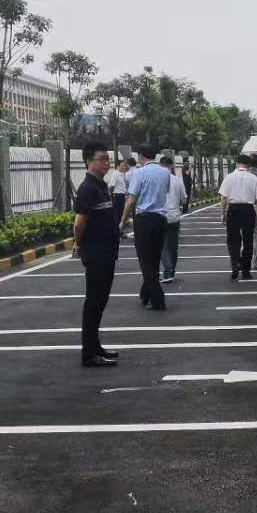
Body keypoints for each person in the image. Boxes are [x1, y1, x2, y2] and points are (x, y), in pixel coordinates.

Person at [73, 142, 121, 368]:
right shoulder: (87, 189)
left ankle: (95, 346)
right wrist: (77, 243)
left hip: (107, 253)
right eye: (101, 159)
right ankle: (89, 354)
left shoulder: (101, 186)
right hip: (96, 253)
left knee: (100, 302)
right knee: (94, 303)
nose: (106, 163)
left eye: (107, 159)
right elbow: (79, 223)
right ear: (88, 161)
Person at [121, 147, 170, 310]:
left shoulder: (139, 173)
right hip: (160, 219)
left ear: (141, 156)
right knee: (154, 259)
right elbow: (165, 192)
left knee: (145, 260)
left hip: (144, 220)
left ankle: (158, 300)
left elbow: (131, 199)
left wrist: (122, 221)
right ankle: (145, 294)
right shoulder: (165, 173)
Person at [220, 155, 257, 280]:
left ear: (236, 163)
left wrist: (223, 213)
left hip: (233, 209)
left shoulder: (229, 177)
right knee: (248, 240)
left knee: (233, 240)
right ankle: (246, 271)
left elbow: (224, 198)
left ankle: (235, 267)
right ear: (248, 164)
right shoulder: (253, 178)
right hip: (248, 210)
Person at [160, 155, 188, 283]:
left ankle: (167, 271)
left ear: (160, 165)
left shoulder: (157, 179)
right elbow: (184, 199)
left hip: (160, 216)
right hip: (174, 217)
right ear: (171, 166)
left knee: (162, 245)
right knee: (173, 245)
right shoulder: (177, 180)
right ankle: (172, 271)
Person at [108, 158, 130, 224]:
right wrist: (111, 196)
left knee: (121, 212)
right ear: (117, 166)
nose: (124, 167)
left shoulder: (122, 174)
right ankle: (117, 227)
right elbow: (111, 186)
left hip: (122, 196)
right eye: (122, 166)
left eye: (125, 166)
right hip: (117, 196)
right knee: (117, 213)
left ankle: (120, 226)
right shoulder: (115, 174)